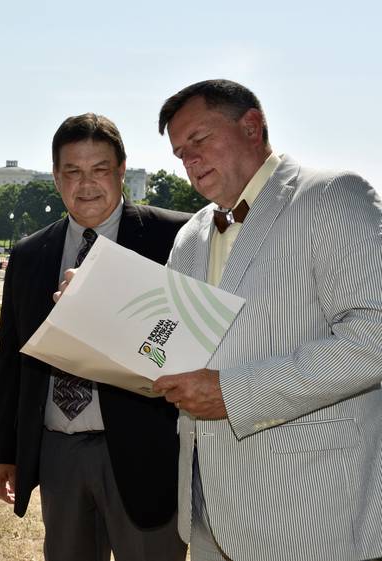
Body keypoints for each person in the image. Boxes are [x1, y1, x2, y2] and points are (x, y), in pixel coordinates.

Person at [151, 79, 382, 561]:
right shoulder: (192, 233)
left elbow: (374, 336)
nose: (190, 161)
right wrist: (95, 302)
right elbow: (166, 341)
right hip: (210, 510)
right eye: (179, 153)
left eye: (199, 140)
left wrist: (233, 393)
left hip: (312, 511)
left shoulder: (333, 196)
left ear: (252, 126)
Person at [0, 113, 190, 561]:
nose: (87, 184)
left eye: (100, 169)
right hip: (60, 450)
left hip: (146, 448)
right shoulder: (30, 253)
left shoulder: (175, 238)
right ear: (57, 177)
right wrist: (4, 450)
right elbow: (10, 357)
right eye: (72, 172)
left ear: (121, 171)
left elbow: (191, 333)